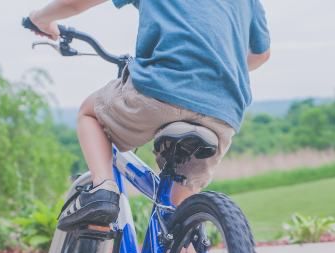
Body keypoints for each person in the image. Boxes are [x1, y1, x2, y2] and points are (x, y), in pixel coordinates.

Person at [28, 0, 271, 230]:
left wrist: (41, 19)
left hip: (161, 89)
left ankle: (103, 190)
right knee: (182, 213)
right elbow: (261, 54)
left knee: (89, 113)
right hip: (222, 109)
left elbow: (75, 3)